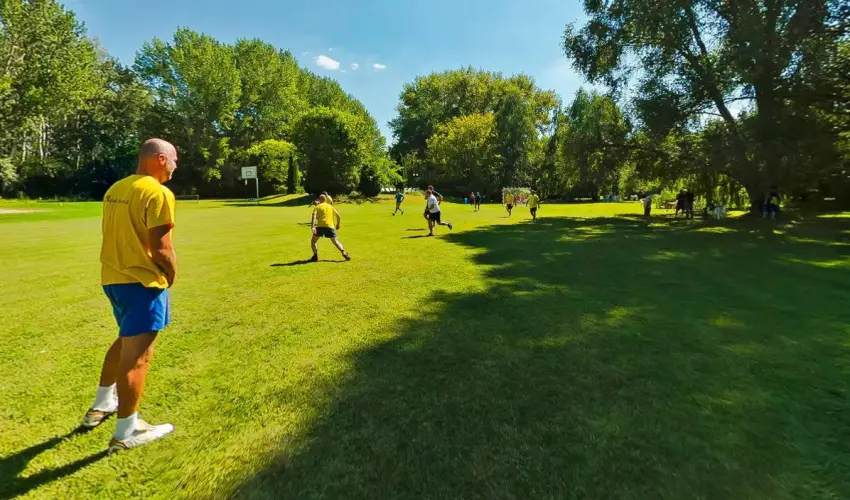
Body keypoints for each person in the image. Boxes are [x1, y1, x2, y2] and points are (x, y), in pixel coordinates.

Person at [83, 138, 178, 453]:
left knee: (125, 342)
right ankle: (127, 431)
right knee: (138, 355)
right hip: (141, 282)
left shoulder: (116, 189)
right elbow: (162, 248)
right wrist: (172, 274)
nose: (176, 168)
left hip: (113, 279)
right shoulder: (158, 192)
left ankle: (101, 405)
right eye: (174, 161)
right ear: (160, 159)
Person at [311, 194, 351, 261]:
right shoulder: (330, 206)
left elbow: (314, 216)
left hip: (320, 226)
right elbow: (338, 216)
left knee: (313, 241)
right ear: (325, 199)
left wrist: (312, 227)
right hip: (330, 226)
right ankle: (343, 252)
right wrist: (338, 224)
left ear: (320, 199)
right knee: (336, 241)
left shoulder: (317, 207)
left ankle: (315, 256)